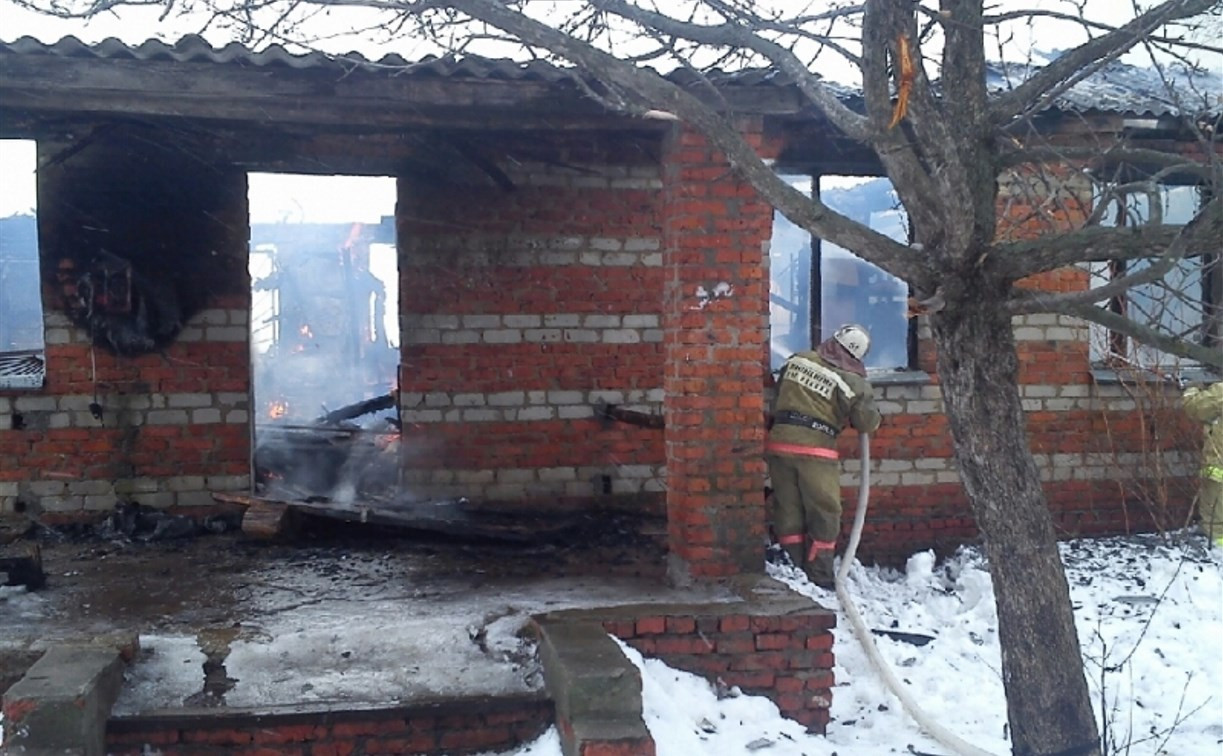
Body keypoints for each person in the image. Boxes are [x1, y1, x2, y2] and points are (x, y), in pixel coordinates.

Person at [766, 324, 881, 588]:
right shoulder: (855, 384)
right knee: (825, 511)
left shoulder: (798, 359)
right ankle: (819, 575)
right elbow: (867, 423)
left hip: (779, 444)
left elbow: (778, 392)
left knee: (788, 508)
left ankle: (793, 571)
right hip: (816, 451)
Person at [1182, 380, 1223, 547]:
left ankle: (1217, 554)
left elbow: (1194, 408)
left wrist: (1190, 389)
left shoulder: (1220, 392)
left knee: (1217, 524)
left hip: (1219, 470)